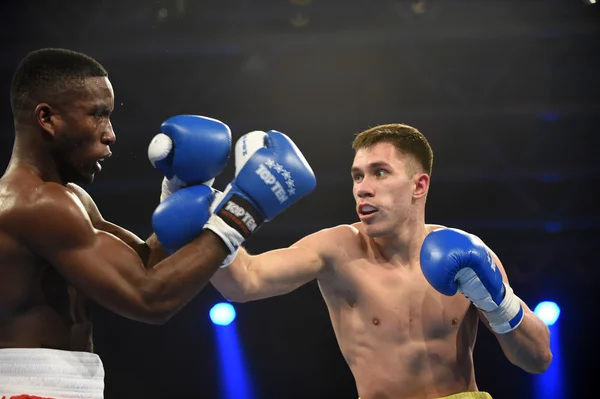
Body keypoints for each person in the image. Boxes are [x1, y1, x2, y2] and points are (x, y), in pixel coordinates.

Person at [0, 48, 316, 399]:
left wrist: (180, 192)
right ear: (47, 118)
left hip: (63, 385)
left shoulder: (66, 198)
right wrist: (244, 211)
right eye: (97, 115)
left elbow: (144, 264)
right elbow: (148, 298)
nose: (110, 134)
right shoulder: (35, 203)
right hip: (29, 387)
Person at [208, 124, 553, 399]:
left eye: (379, 173)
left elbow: (537, 359)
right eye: (357, 176)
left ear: (419, 185)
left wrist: (499, 303)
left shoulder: (469, 254)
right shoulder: (337, 249)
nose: (362, 188)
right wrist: (211, 216)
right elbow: (244, 282)